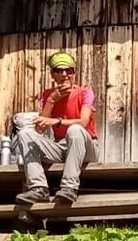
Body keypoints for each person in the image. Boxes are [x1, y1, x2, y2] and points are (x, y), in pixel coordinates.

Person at [12, 51, 99, 205]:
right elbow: (39, 128)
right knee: (25, 134)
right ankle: (38, 188)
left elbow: (84, 122)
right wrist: (52, 100)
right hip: (60, 147)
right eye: (59, 71)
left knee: (75, 130)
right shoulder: (48, 95)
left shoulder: (85, 92)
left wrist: (57, 121)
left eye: (69, 70)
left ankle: (69, 188)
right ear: (52, 74)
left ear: (73, 72)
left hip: (86, 147)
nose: (64, 74)